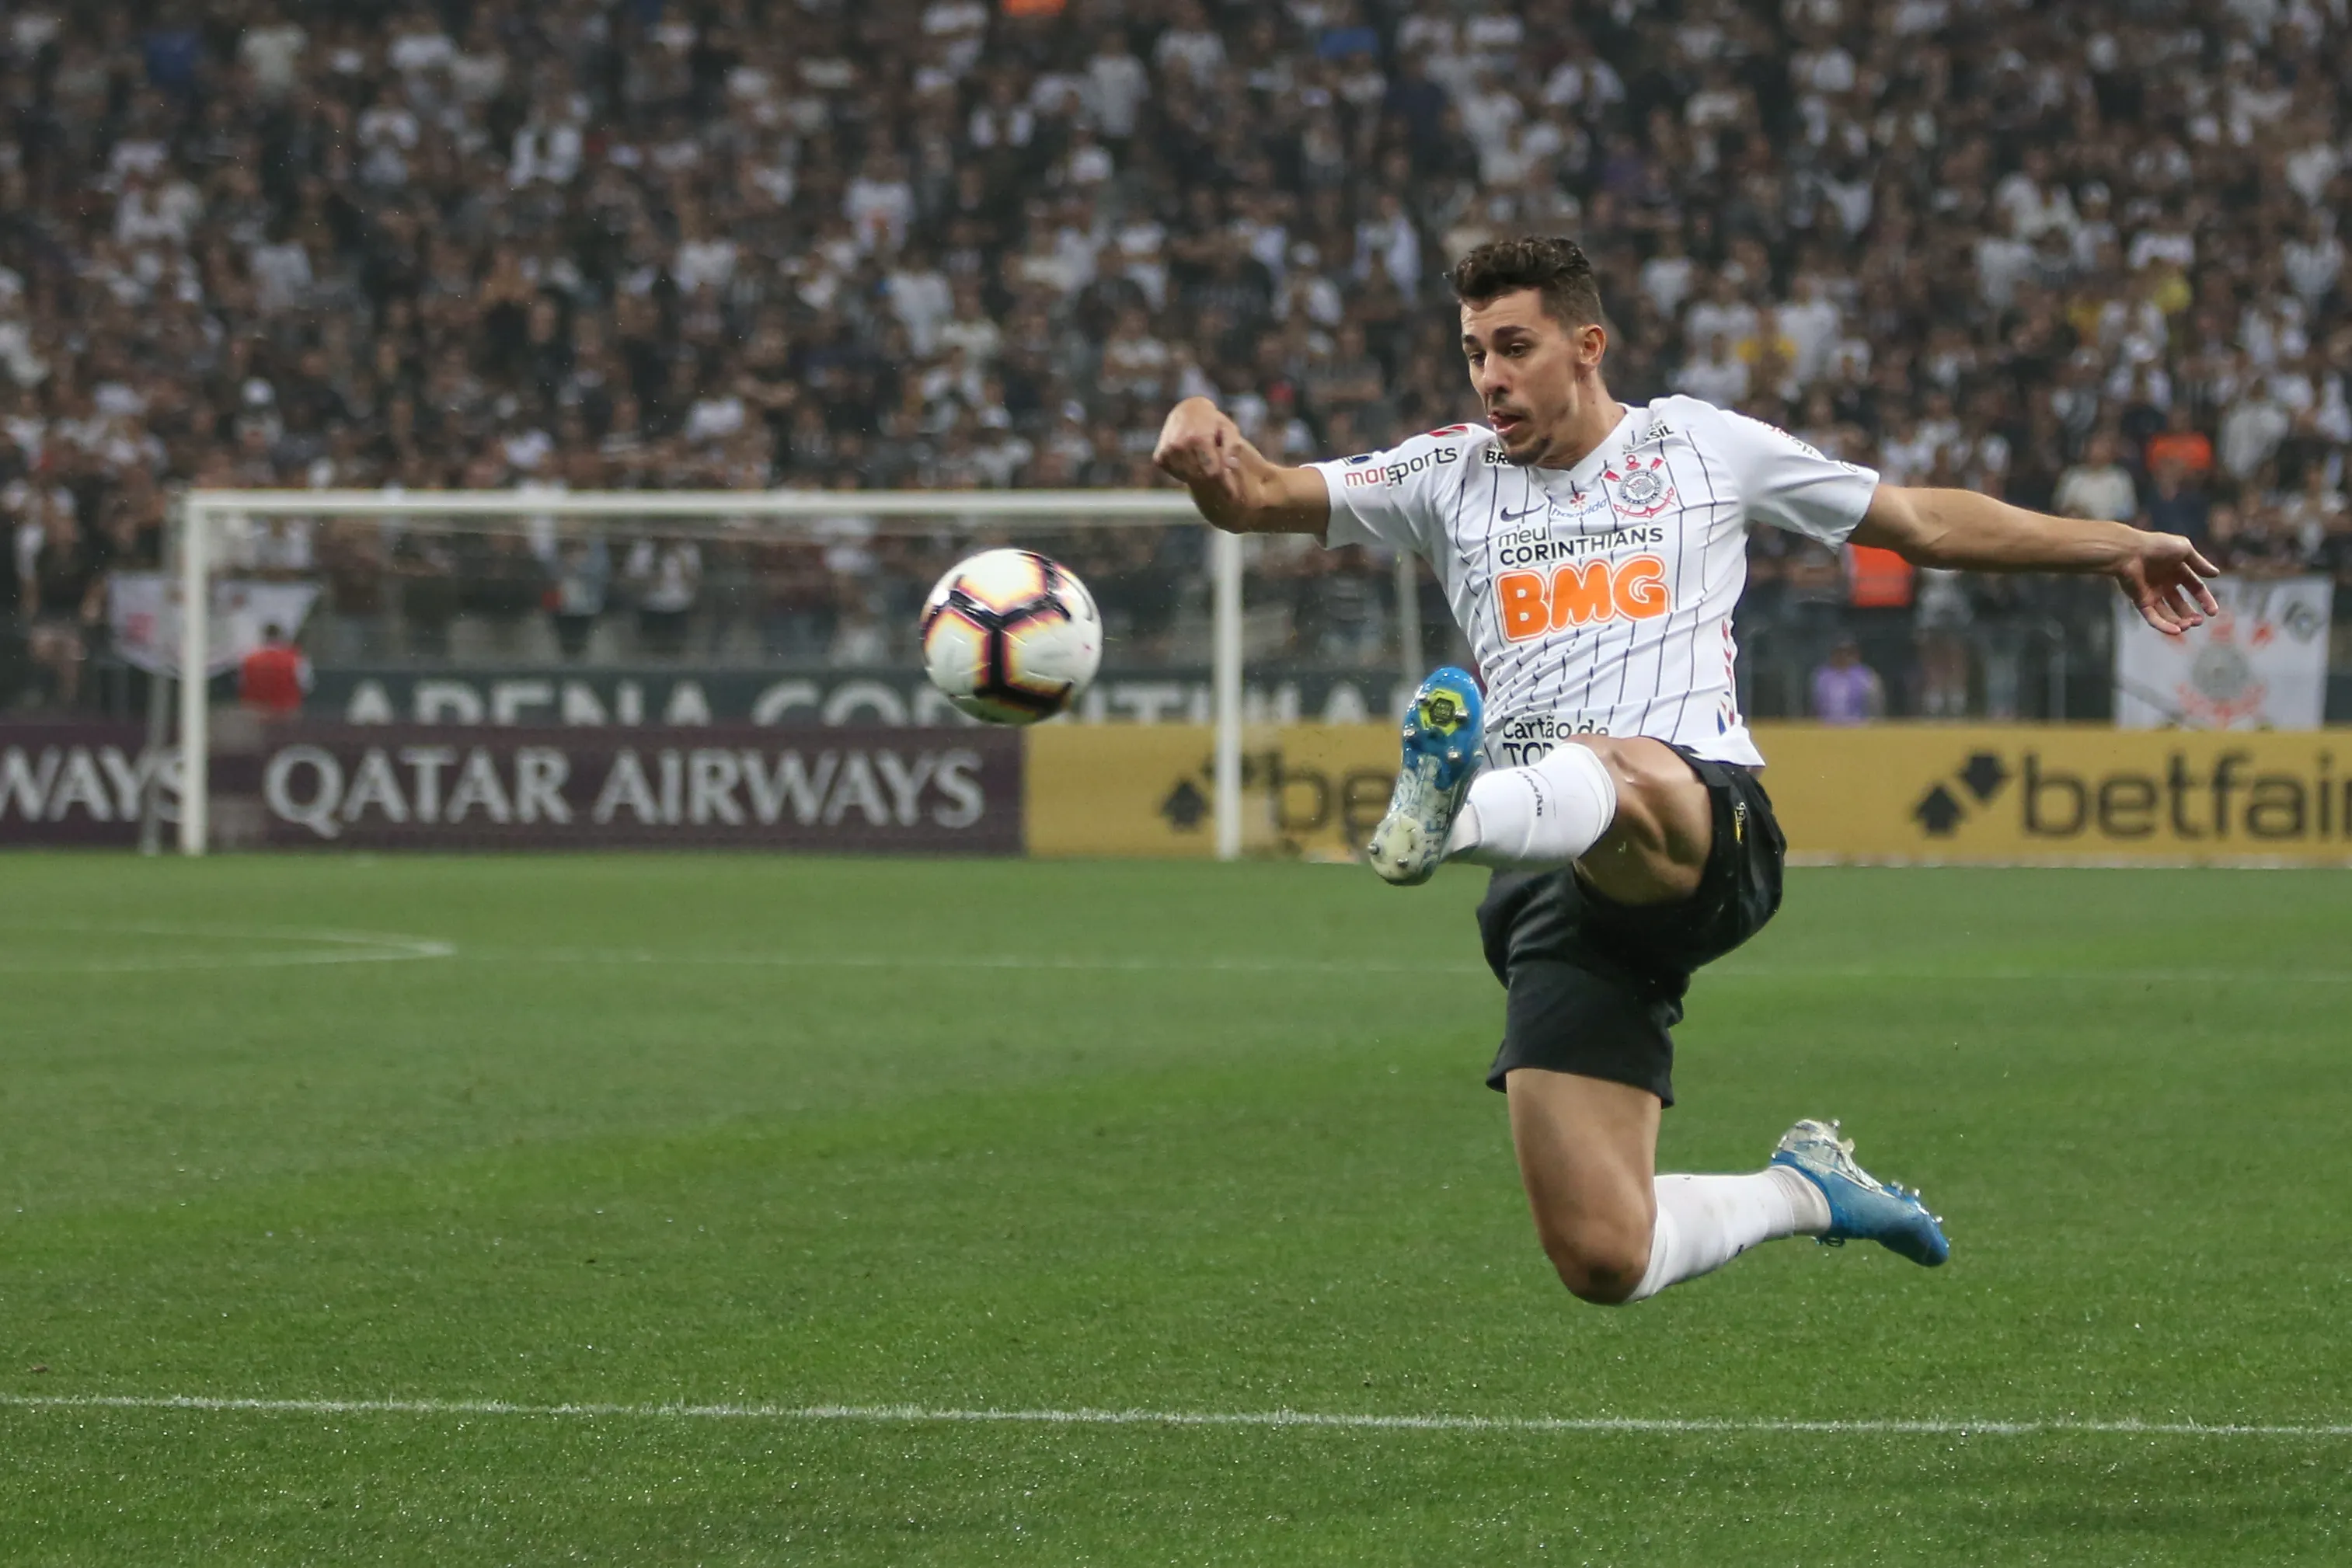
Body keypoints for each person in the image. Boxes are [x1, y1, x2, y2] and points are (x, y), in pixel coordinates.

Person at [1152, 236, 2217, 1308]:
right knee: (1604, 1254)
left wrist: (2114, 542)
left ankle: (1445, 816)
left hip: (1701, 818)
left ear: (1587, 345)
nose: (1490, 377)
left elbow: (1920, 521)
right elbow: (1257, 497)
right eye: (1474, 353)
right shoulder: (1445, 473)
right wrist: (1203, 434)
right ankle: (1806, 1189)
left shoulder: (1700, 444)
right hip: (1555, 881)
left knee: (1607, 764)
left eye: (1514, 347)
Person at [238, 622, 312, 718]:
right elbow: (306, 686)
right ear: (281, 637)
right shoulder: (296, 659)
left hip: (256, 714)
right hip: (286, 713)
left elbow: (241, 685)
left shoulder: (248, 660)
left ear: (264, 637)